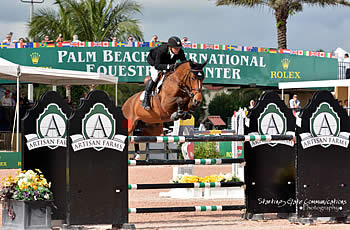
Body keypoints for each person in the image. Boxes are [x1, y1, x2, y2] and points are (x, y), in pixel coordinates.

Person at [142, 36, 186, 110]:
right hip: (154, 61)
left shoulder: (180, 51)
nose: (177, 50)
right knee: (155, 76)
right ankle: (146, 98)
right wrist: (169, 66)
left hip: (167, 62)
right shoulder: (162, 50)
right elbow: (157, 65)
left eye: (179, 48)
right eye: (176, 48)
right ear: (170, 47)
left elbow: (183, 62)